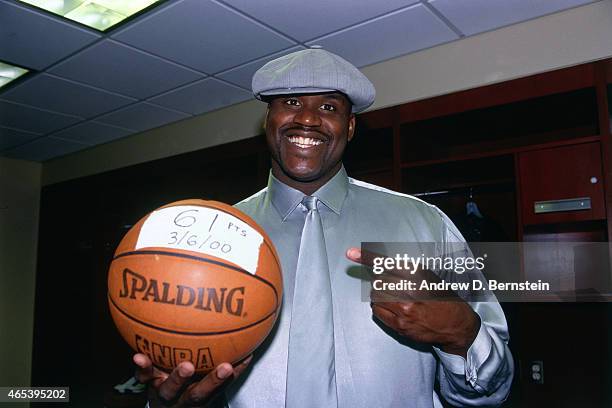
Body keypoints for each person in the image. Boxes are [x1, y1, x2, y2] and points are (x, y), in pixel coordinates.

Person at [134, 49, 514, 407]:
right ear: (268, 121)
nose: (308, 118)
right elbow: (189, 374)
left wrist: (460, 335)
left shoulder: (424, 223)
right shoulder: (218, 235)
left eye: (329, 107)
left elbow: (490, 394)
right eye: (291, 102)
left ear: (349, 128)